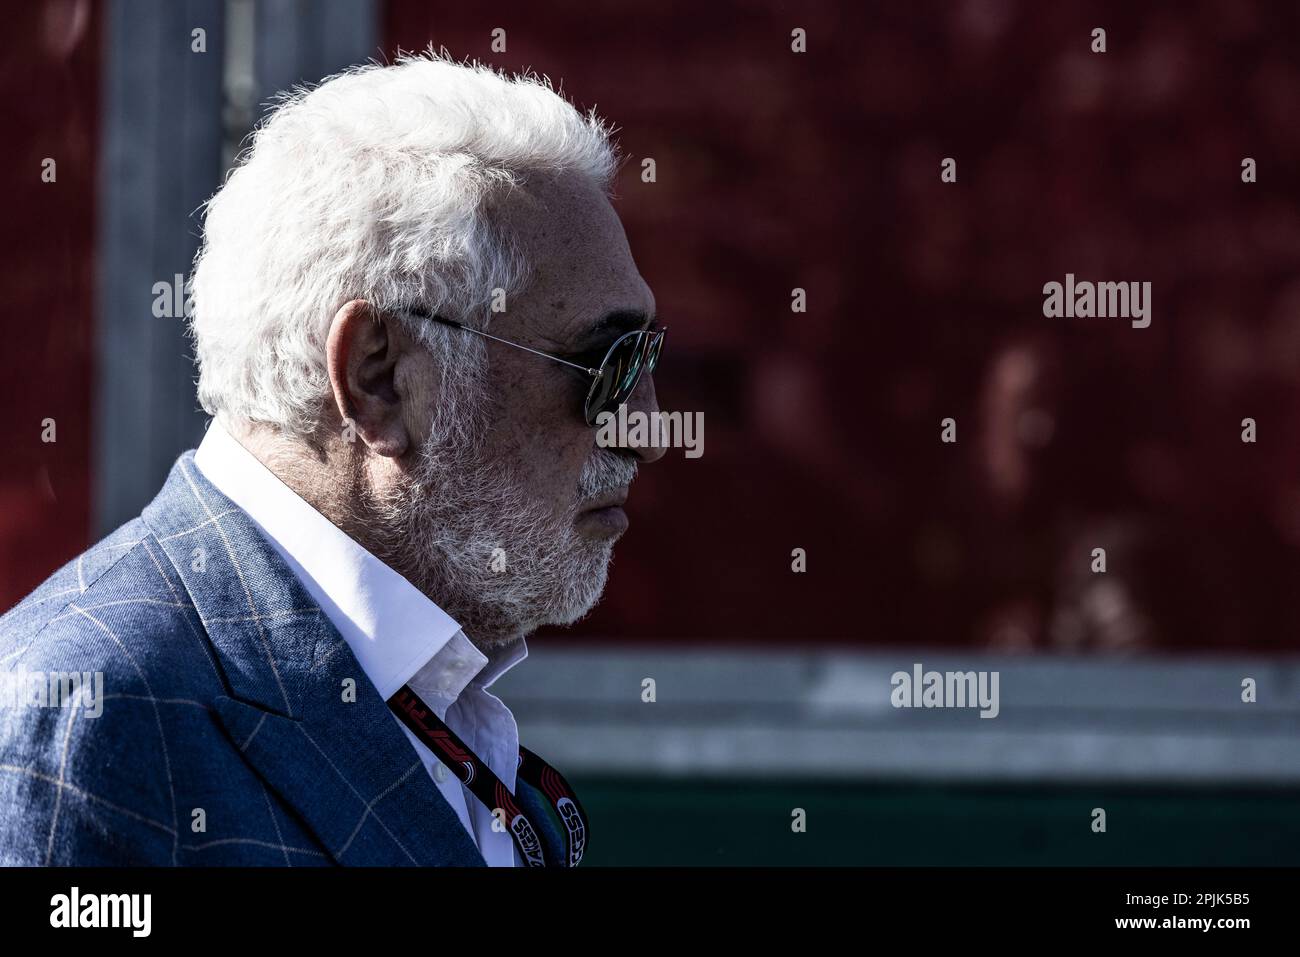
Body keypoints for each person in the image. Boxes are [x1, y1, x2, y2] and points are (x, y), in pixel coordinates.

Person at [0, 53, 666, 866]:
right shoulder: (83, 722)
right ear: (377, 376)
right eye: (607, 366)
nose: (646, 425)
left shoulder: (423, 683)